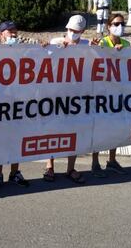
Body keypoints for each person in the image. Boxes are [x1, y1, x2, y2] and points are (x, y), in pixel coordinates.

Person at [42, 15, 88, 184]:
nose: (72, 33)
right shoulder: (55, 41)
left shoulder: (86, 45)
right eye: (70, 30)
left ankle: (70, 168)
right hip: (55, 94)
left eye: (76, 31)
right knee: (53, 130)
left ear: (82, 31)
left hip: (76, 96)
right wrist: (46, 47)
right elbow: (41, 58)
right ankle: (49, 166)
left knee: (73, 132)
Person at [0, 21, 29, 190]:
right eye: (9, 31)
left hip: (18, 102)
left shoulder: (23, 50)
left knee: (16, 139)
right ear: (1, 34)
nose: (13, 34)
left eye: (15, 31)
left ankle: (15, 172)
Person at [90, 13, 130, 177]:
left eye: (122, 23)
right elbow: (93, 59)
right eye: (115, 23)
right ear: (108, 26)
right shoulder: (102, 42)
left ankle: (112, 161)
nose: (119, 26)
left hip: (119, 93)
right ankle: (95, 162)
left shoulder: (127, 43)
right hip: (102, 93)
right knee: (99, 129)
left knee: (116, 129)